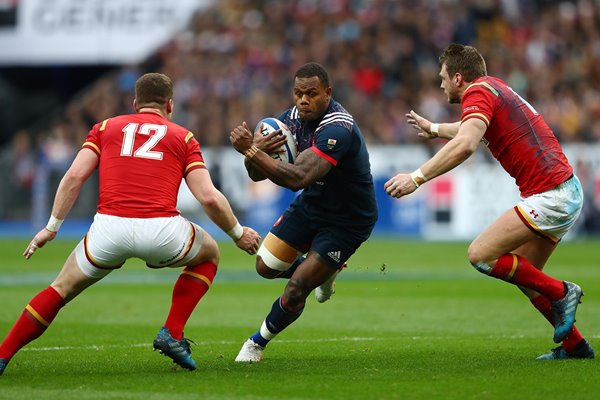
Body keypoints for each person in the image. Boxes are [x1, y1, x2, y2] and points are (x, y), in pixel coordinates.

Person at [0, 73, 260, 376]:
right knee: (210, 252)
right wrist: (238, 234)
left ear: (135, 103)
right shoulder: (183, 136)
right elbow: (209, 198)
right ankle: (172, 332)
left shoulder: (105, 128)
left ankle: (3, 355)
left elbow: (73, 177)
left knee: (60, 289)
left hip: (108, 231)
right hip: (162, 232)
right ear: (170, 105)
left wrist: (51, 227)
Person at [385, 43, 593, 360]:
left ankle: (562, 291)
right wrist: (434, 128)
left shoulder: (477, 93)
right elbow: (471, 129)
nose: (440, 85)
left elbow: (467, 144)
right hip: (563, 190)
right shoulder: (492, 87)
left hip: (552, 194)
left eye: (442, 78)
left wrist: (416, 178)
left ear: (458, 78)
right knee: (528, 278)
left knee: (481, 254)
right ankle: (576, 347)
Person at [229, 62, 378, 362]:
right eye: (298, 93)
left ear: (328, 93)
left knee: (297, 289)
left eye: (311, 93)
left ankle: (256, 343)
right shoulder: (290, 120)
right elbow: (256, 175)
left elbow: (298, 178)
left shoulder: (338, 127)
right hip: (313, 204)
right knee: (265, 266)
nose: (303, 100)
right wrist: (254, 152)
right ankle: (323, 271)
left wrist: (252, 151)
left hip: (348, 218)